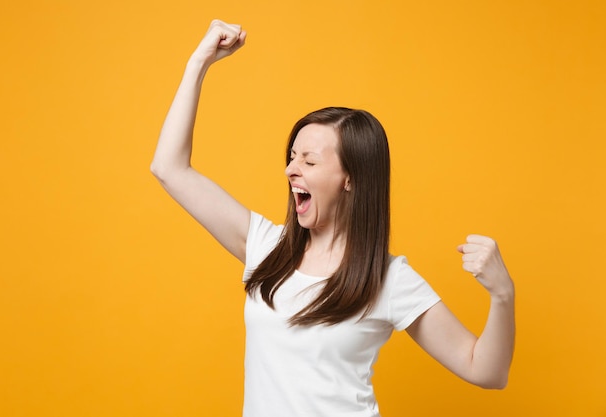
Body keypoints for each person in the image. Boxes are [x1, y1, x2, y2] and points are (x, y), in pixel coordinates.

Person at [151, 19, 515, 417]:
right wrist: (199, 61)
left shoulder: (387, 279)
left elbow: (486, 371)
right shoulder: (266, 248)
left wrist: (502, 295)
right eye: (292, 157)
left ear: (350, 180)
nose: (292, 170)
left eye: (309, 160)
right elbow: (170, 168)